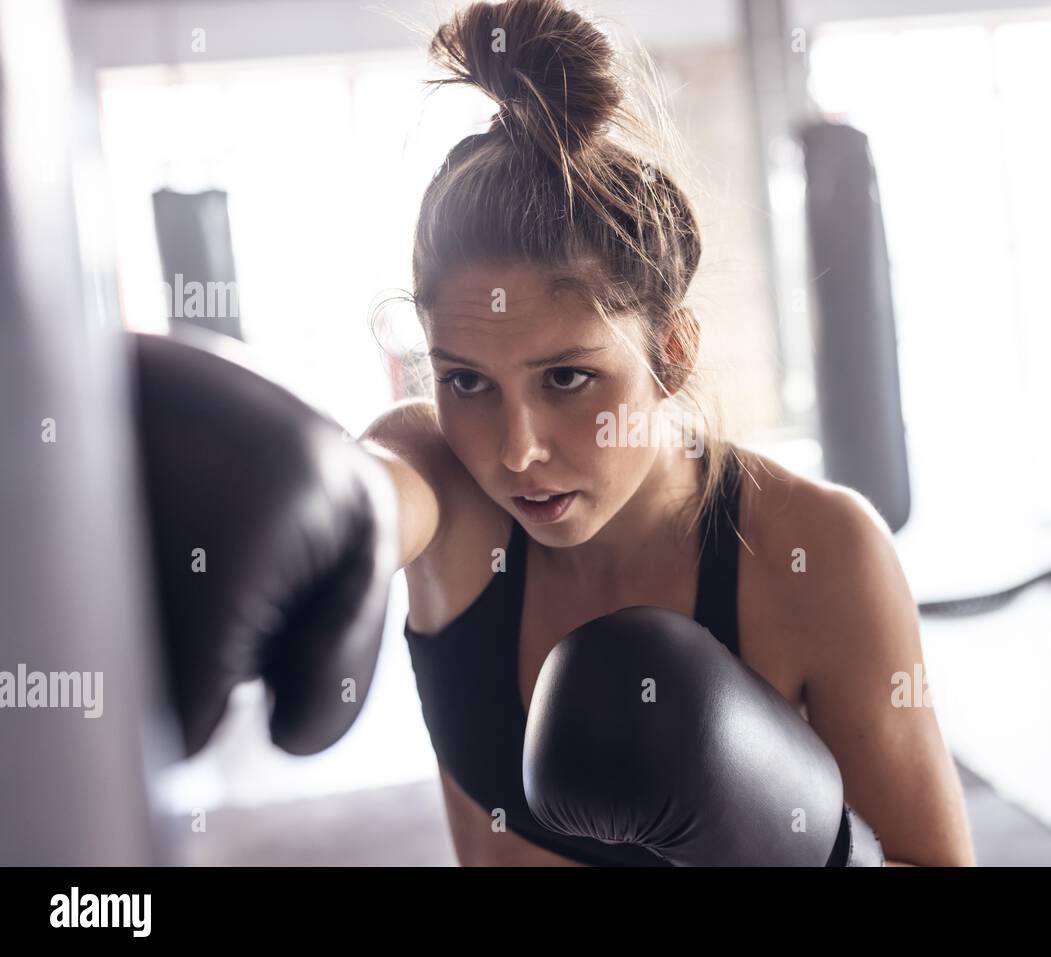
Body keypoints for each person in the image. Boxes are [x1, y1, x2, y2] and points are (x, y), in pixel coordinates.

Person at [131, 0, 975, 867]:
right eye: (466, 381)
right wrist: (278, 511)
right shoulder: (444, 483)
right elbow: (370, 491)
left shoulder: (821, 551)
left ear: (672, 351)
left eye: (567, 378)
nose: (514, 450)